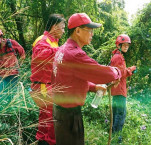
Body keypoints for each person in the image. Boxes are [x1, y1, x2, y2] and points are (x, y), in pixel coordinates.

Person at [52, 13, 122, 145]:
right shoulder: (75, 54)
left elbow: (68, 78)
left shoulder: (62, 50)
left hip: (60, 113)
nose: (92, 34)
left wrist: (93, 87)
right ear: (77, 31)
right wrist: (118, 71)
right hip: (69, 117)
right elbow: (104, 73)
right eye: (89, 30)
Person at [30, 14, 66, 145]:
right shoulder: (43, 40)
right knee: (50, 122)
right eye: (62, 28)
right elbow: (41, 56)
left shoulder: (54, 42)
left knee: (47, 122)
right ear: (54, 26)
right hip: (43, 86)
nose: (63, 31)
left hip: (49, 86)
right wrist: (59, 50)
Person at [110, 34, 136, 143]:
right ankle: (117, 138)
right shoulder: (118, 57)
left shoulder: (117, 55)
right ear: (119, 45)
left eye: (127, 45)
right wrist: (131, 69)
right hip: (119, 90)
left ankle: (113, 136)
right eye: (124, 45)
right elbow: (120, 73)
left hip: (117, 90)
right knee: (120, 114)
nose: (126, 47)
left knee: (117, 113)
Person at [0, 27, 25, 95]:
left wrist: (19, 65)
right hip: (0, 75)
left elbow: (22, 54)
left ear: (1, 37)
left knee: (12, 93)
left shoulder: (12, 44)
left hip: (13, 73)